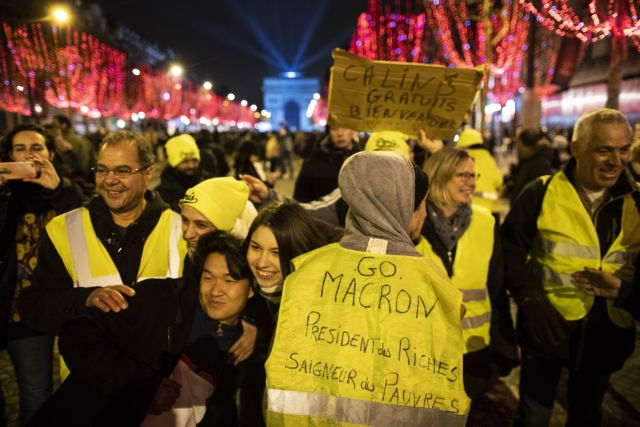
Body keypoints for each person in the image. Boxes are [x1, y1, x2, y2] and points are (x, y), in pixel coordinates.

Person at [265, 151, 470, 425]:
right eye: (422, 205)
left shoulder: (303, 273)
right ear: (402, 207)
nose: (424, 215)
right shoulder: (437, 288)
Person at [30, 231, 255, 426]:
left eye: (229, 281)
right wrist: (140, 388)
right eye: (208, 278)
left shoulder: (252, 342)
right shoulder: (161, 299)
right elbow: (77, 332)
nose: (215, 291)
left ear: (251, 289)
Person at [501, 108, 639, 427]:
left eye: (623, 149)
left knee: (587, 414)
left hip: (606, 336)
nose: (616, 160)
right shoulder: (541, 192)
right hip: (546, 330)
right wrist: (529, 298)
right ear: (576, 149)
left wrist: (627, 294)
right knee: (534, 416)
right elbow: (508, 251)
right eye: (604, 149)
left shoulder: (637, 203)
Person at [19, 130, 186, 338]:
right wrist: (85, 299)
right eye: (102, 170)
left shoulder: (182, 228)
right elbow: (34, 306)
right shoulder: (62, 228)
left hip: (162, 367)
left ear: (148, 173)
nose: (109, 180)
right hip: (88, 368)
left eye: (122, 171)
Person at [417, 148, 517, 404]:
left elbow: (496, 289)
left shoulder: (486, 223)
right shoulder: (412, 222)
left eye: (473, 175)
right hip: (420, 351)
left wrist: (504, 345)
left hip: (472, 351)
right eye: (463, 175)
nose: (471, 182)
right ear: (439, 177)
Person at [0, 124, 84, 424]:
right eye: (19, 149)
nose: (29, 155)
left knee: (81, 390)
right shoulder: (6, 194)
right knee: (36, 394)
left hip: (68, 303)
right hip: (22, 312)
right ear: (8, 155)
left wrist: (59, 190)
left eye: (36, 148)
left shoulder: (66, 187)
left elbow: (87, 230)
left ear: (50, 152)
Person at [293, 126, 360, 202]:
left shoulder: (363, 159)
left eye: (345, 127)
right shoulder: (314, 159)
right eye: (334, 129)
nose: (340, 134)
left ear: (353, 130)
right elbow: (300, 197)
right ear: (329, 132)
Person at [456, 127, 503, 220]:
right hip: (492, 209)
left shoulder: (461, 158)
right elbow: (499, 182)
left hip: (470, 209)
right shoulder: (488, 156)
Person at [156, 133, 211, 212]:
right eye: (185, 162)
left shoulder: (208, 181)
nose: (191, 165)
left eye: (194, 160)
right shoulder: (162, 193)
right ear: (174, 164)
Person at [508, 128, 553, 202]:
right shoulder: (528, 160)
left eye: (518, 143)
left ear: (522, 144)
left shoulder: (539, 165)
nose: (517, 148)